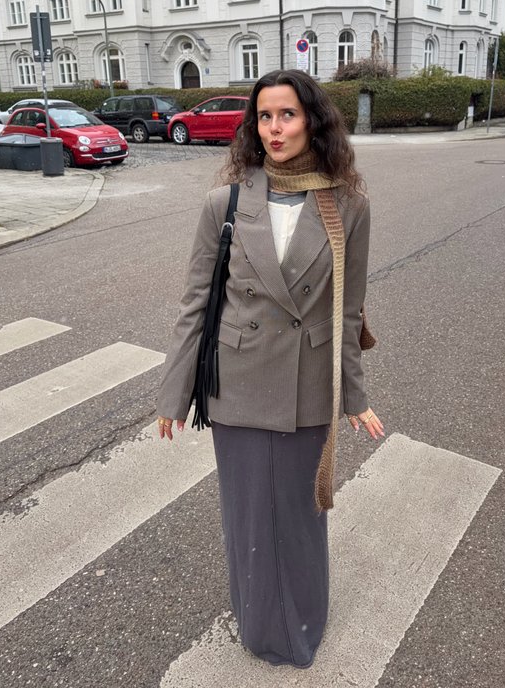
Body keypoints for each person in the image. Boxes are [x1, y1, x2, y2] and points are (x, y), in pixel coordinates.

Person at [156, 69, 384, 668]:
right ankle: (259, 624)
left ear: (313, 119)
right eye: (264, 117)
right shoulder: (225, 201)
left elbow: (349, 309)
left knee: (300, 519)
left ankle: (303, 623)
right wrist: (173, 395)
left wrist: (354, 397)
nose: (275, 128)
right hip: (239, 385)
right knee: (250, 515)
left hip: (308, 388)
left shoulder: (349, 206)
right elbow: (196, 304)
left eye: (287, 114)